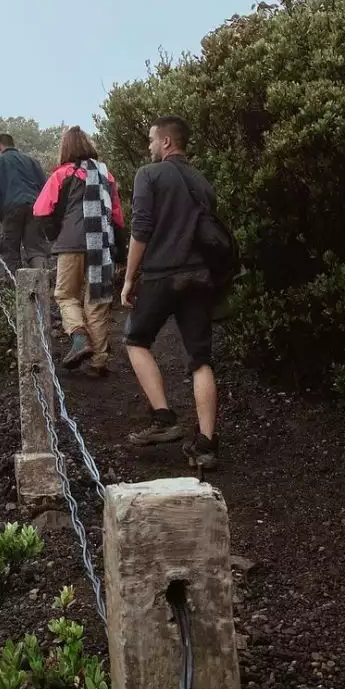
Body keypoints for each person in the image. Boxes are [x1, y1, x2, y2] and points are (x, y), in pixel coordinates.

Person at [120, 115, 221, 470]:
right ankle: (207, 444)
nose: (149, 146)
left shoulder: (148, 175)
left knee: (136, 340)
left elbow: (142, 229)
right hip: (200, 277)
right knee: (200, 360)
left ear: (165, 142)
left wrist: (130, 278)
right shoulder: (202, 181)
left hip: (164, 274)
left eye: (151, 140)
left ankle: (164, 418)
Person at [32, 126, 125, 377]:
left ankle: (79, 336)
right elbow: (117, 217)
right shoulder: (107, 176)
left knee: (65, 295)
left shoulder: (62, 174)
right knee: (96, 300)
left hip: (71, 245)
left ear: (66, 148)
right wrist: (121, 253)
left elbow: (41, 210)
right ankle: (98, 363)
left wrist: (54, 233)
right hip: (102, 245)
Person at [0, 133, 50, 272]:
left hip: (12, 209)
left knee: (9, 250)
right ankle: (42, 287)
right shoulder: (32, 161)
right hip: (35, 208)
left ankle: (13, 289)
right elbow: (45, 187)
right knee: (36, 248)